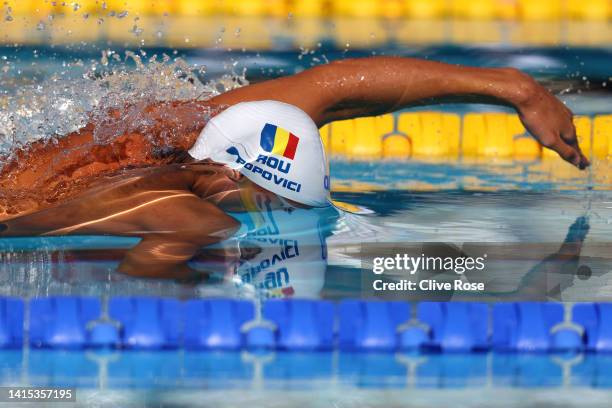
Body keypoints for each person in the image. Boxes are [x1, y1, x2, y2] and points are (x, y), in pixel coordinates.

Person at [0, 57, 590, 279]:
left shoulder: (191, 134)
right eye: (274, 202)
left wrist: (514, 88)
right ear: (238, 177)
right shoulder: (169, 169)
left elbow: (327, 90)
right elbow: (148, 269)